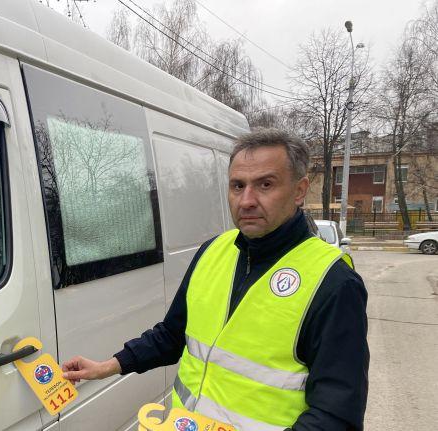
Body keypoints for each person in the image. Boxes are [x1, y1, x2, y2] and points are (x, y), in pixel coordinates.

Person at [61, 129, 368, 430]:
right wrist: (108, 366)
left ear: (299, 190)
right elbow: (171, 335)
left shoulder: (334, 282)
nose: (246, 200)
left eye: (265, 184)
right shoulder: (213, 251)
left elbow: (335, 415)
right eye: (237, 186)